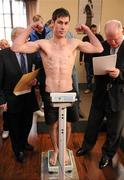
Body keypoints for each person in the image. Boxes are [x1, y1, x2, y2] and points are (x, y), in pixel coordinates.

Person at [11, 8, 103, 166]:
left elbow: (98, 48)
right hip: (50, 91)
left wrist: (87, 29)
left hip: (69, 90)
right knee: (53, 124)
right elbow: (16, 47)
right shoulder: (43, 44)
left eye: (66, 23)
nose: (63, 26)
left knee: (67, 124)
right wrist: (31, 27)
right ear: (53, 24)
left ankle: (64, 148)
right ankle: (56, 150)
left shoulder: (74, 43)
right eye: (59, 22)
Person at [76, 20, 124, 169]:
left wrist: (120, 74)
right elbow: (93, 50)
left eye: (115, 38)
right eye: (109, 39)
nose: (113, 42)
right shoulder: (103, 44)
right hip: (100, 94)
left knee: (114, 129)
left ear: (122, 31)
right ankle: (86, 146)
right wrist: (86, 30)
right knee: (92, 124)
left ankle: (107, 155)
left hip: (118, 96)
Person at [0, 27, 39, 162]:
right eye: (22, 36)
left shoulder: (31, 53)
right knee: (14, 127)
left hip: (28, 96)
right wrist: (2, 100)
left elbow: (36, 71)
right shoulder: (4, 54)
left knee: (27, 123)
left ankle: (24, 143)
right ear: (13, 38)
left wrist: (36, 80)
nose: (25, 39)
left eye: (26, 37)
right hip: (11, 98)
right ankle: (18, 150)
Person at [80, 24, 104, 94]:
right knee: (88, 75)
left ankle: (97, 89)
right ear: (89, 30)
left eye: (95, 31)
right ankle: (88, 88)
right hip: (87, 59)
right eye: (92, 31)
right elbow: (82, 49)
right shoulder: (85, 38)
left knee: (97, 75)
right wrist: (80, 59)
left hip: (97, 60)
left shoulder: (99, 37)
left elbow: (102, 48)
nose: (94, 32)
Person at [0, 39, 10, 139]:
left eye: (6, 44)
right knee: (6, 111)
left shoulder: (12, 55)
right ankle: (6, 129)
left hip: (13, 88)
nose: (4, 46)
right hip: (3, 89)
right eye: (2, 45)